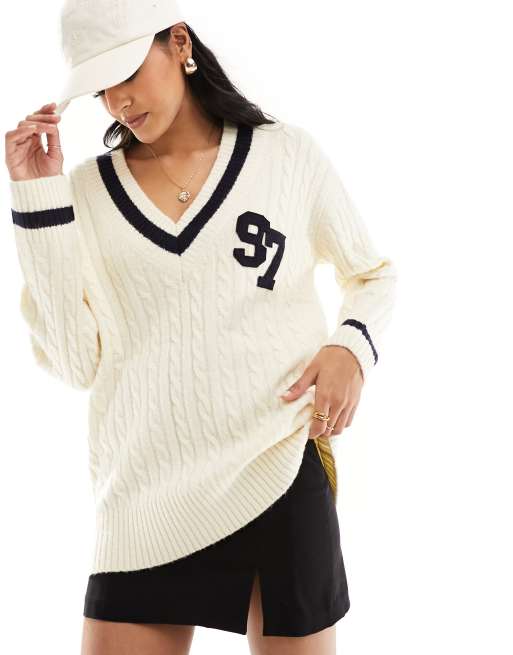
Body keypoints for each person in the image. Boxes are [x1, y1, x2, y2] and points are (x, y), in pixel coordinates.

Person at [4, 1, 398, 653]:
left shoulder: (285, 155)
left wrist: (349, 348)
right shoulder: (84, 194)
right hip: (144, 495)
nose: (117, 101)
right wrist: (36, 198)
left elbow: (372, 274)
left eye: (126, 73)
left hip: (275, 466)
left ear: (179, 43)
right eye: (100, 89)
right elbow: (75, 363)